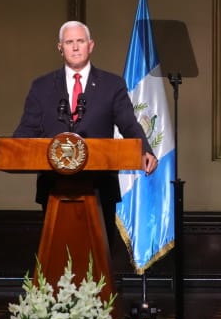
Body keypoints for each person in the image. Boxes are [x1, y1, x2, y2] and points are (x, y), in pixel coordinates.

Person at [12, 21, 157, 255]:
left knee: (99, 255)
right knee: (56, 255)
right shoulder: (42, 86)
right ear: (60, 48)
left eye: (80, 41)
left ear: (91, 46)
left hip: (100, 187)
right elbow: (27, 129)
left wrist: (145, 151)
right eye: (69, 42)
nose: (75, 47)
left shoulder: (112, 85)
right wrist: (14, 149)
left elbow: (129, 124)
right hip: (54, 186)